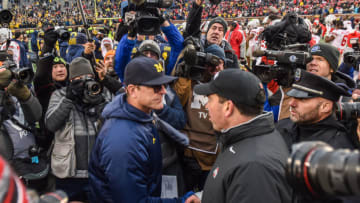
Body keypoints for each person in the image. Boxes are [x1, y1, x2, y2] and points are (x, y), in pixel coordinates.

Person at [89, 56, 197, 203]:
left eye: (164, 85)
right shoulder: (122, 140)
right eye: (156, 87)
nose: (164, 92)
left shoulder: (143, 116)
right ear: (133, 90)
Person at [187, 69, 291, 203]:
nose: (206, 106)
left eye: (210, 99)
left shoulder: (254, 169)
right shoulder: (245, 137)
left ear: (228, 107)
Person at [45, 57, 109, 201]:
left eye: (89, 77)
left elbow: (112, 126)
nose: (86, 82)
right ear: (72, 80)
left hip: (98, 172)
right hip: (68, 173)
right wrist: (69, 98)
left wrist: (99, 102)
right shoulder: (60, 95)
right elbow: (51, 124)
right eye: (80, 79)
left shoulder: (101, 93)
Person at [277, 69, 356, 151]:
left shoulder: (338, 147)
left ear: (325, 106)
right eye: (293, 97)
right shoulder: (282, 126)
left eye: (302, 99)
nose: (291, 103)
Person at [183, 0, 239, 69]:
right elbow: (191, 28)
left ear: (223, 35)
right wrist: (197, 5)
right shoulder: (197, 44)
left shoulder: (231, 56)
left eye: (220, 30)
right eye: (213, 28)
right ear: (207, 32)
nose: (216, 32)